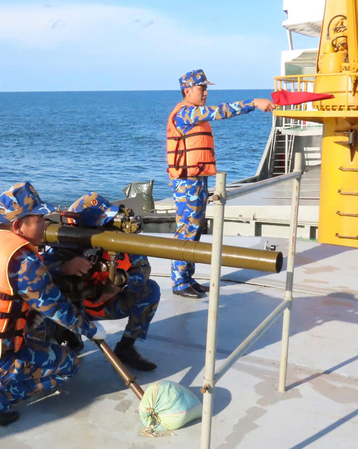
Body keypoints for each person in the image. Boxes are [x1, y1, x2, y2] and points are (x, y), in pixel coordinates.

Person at [0, 182, 105, 426]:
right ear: (17, 226)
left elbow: (15, 279)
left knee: (35, 324)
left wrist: (59, 268)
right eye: (39, 219)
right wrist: (91, 329)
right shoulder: (23, 260)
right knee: (69, 363)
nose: (45, 224)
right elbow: (58, 309)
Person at [166, 69, 274, 298]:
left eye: (206, 88)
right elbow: (220, 112)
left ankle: (187, 278)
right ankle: (179, 283)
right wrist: (254, 103)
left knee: (195, 231)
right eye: (201, 88)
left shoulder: (193, 112)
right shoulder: (186, 113)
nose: (205, 92)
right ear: (187, 91)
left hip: (197, 180)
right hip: (187, 182)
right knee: (187, 231)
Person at [42, 192, 161, 372]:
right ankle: (65, 336)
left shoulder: (120, 241)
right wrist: (64, 267)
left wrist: (121, 281)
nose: (110, 224)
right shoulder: (66, 242)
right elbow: (38, 270)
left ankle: (126, 347)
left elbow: (143, 268)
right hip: (70, 308)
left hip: (106, 305)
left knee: (150, 290)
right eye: (105, 221)